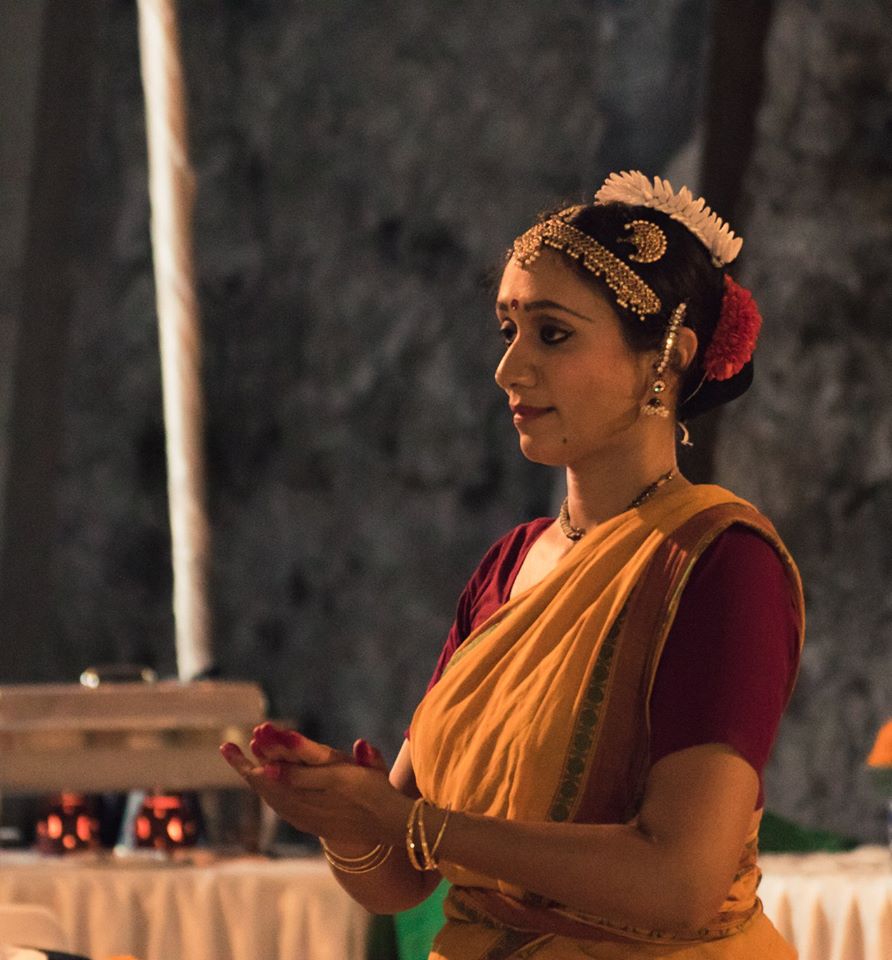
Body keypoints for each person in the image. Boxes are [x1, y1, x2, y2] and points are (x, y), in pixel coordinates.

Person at [221, 170, 805, 959]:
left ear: (666, 359)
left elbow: (681, 883)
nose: (510, 370)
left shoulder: (717, 564)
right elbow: (402, 879)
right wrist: (345, 819)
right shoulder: (508, 566)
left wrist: (419, 827)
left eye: (553, 334)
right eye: (508, 331)